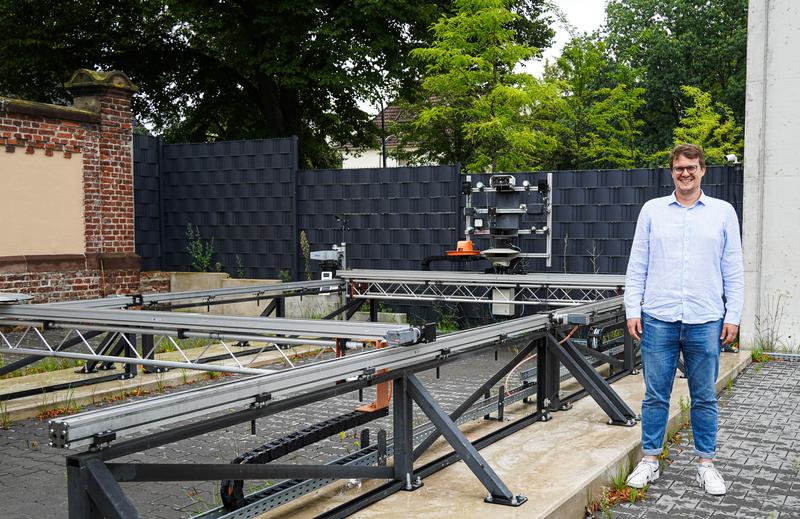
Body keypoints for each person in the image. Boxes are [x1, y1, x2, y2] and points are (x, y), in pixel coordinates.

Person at [623, 143, 744, 495]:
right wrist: (633, 308)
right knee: (654, 395)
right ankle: (649, 461)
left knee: (704, 395)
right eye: (679, 168)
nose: (686, 173)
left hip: (705, 318)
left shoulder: (722, 213)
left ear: (703, 170)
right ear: (671, 172)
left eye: (692, 167)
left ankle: (706, 464)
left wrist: (732, 315)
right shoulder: (652, 211)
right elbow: (637, 264)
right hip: (658, 316)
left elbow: (733, 269)